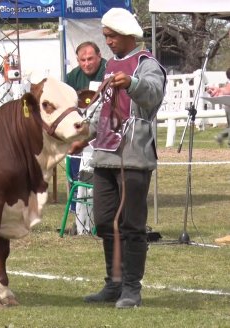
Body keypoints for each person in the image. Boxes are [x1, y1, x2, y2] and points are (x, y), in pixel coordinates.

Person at [68, 8, 166, 309]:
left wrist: (132, 84)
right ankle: (113, 283)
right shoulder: (110, 67)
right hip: (104, 156)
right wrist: (85, 136)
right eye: (106, 36)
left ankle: (131, 289)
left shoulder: (146, 64)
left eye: (111, 36)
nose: (107, 41)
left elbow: (152, 96)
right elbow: (102, 109)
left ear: (126, 35)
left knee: (131, 224)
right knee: (104, 222)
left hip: (133, 157)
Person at [64, 42, 107, 235]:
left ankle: (104, 218)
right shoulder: (72, 77)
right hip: (79, 132)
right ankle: (78, 218)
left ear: (99, 56)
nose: (87, 63)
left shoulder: (109, 71)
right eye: (83, 60)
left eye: (90, 59)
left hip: (104, 132)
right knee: (75, 175)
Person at [206, 67, 230, 146]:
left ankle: (221, 137)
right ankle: (222, 137)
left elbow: (225, 90)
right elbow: (227, 90)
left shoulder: (228, 84)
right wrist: (220, 90)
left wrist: (219, 90)